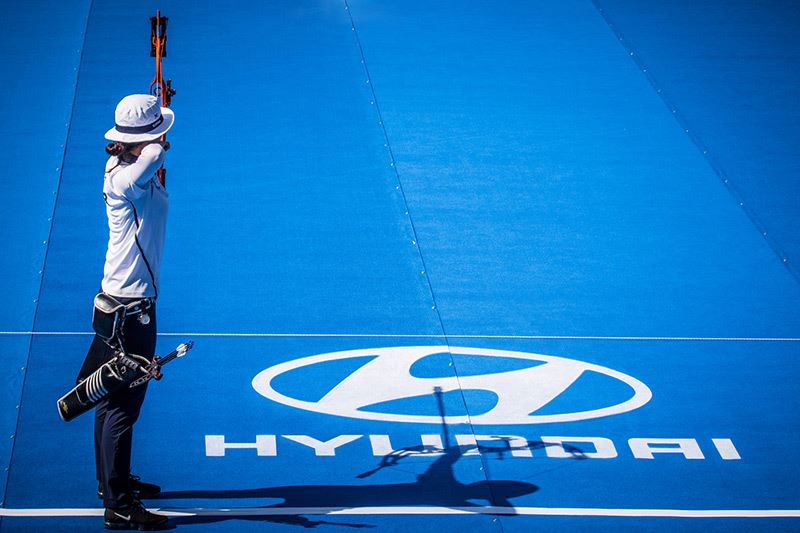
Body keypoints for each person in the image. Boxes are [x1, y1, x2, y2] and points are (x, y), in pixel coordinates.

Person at [80, 93, 174, 530]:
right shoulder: (128, 178)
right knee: (123, 405)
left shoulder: (121, 167)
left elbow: (150, 154)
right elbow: (154, 153)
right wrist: (158, 136)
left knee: (108, 398)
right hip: (131, 310)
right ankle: (118, 506)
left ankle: (110, 483)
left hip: (116, 300)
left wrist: (153, 132)